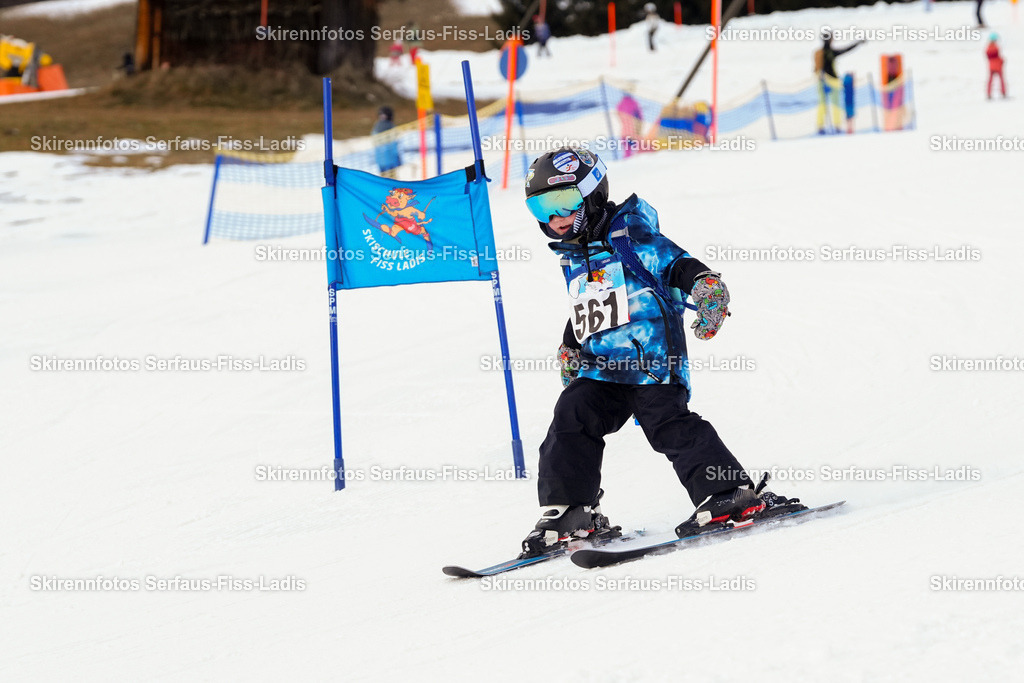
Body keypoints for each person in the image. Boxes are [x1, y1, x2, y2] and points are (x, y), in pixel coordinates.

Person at [518, 146, 803, 558]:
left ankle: (729, 492)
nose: (555, 217)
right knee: (571, 414)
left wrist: (705, 286)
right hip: (603, 368)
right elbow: (590, 306)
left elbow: (677, 265)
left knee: (666, 422)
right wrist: (571, 345)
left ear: (592, 192)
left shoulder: (629, 235)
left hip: (652, 362)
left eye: (562, 201)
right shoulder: (575, 254)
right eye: (541, 207)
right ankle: (571, 509)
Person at [816, 30, 865, 134]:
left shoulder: (822, 52)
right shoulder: (824, 53)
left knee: (827, 105)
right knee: (831, 105)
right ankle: (832, 126)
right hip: (830, 81)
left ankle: (828, 126)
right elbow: (845, 50)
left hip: (826, 81)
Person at [372, 106, 401, 179]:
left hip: (380, 159)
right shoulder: (391, 126)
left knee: (383, 179)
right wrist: (398, 158)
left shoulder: (376, 126)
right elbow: (394, 144)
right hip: (391, 158)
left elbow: (375, 142)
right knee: (393, 179)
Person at [986, 33, 1007, 99]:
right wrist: (1002, 60)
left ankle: (989, 93)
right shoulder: (996, 47)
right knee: (1001, 80)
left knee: (990, 80)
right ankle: (1003, 92)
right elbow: (997, 56)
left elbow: (988, 57)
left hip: (991, 66)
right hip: (998, 66)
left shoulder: (988, 48)